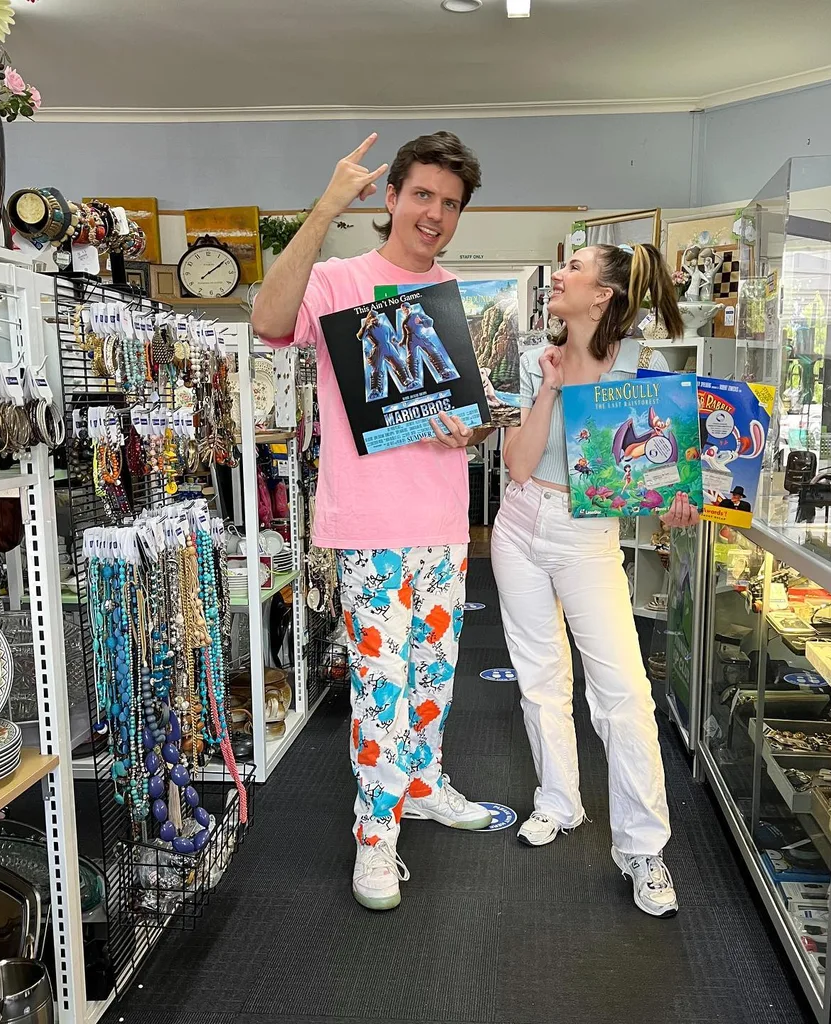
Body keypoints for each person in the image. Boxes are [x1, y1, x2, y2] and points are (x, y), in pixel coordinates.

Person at [252, 130, 493, 913]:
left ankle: (420, 786)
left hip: (444, 524)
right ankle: (374, 837)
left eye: (450, 203)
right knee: (380, 689)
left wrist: (475, 426)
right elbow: (266, 319)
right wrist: (324, 208)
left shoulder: (458, 298)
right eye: (422, 195)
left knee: (431, 678)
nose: (435, 214)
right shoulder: (338, 279)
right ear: (389, 198)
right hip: (369, 527)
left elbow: (475, 410)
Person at [492, 242, 697, 919]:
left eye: (576, 268)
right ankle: (559, 800)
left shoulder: (645, 371)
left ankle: (643, 848)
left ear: (605, 294)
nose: (560, 275)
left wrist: (676, 495)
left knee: (623, 693)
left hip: (588, 537)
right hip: (521, 522)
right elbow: (519, 465)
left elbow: (662, 470)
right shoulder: (533, 361)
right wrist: (549, 385)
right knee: (539, 675)